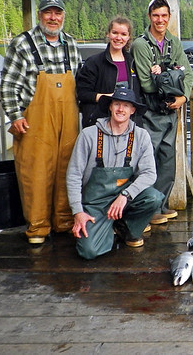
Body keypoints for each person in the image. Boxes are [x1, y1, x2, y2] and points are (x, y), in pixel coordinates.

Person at [1, 0, 82, 244]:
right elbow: (8, 84)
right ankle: (37, 227)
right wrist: (14, 116)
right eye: (48, 13)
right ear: (40, 15)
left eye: (58, 13)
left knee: (68, 168)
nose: (53, 18)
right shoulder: (22, 43)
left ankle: (63, 221)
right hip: (34, 121)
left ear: (63, 16)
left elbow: (81, 82)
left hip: (68, 120)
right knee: (35, 173)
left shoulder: (71, 44)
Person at [67, 88, 164, 260]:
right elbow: (73, 175)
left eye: (126, 105)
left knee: (154, 198)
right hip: (96, 204)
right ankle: (106, 228)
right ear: (110, 107)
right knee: (88, 252)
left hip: (124, 197)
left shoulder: (141, 136)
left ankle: (124, 228)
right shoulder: (88, 134)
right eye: (117, 104)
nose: (121, 109)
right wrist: (78, 212)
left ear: (132, 110)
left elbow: (149, 173)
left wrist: (125, 195)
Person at [131, 0, 193, 225]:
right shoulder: (140, 45)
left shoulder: (174, 43)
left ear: (169, 17)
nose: (160, 20)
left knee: (168, 161)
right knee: (149, 161)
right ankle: (146, 209)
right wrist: (172, 73)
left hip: (171, 111)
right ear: (149, 17)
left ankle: (160, 205)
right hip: (150, 112)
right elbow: (147, 83)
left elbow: (187, 74)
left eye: (164, 15)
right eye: (156, 15)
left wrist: (183, 97)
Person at [76, 17, 142, 128]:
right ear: (108, 34)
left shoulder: (133, 62)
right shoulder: (93, 62)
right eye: (115, 33)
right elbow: (82, 94)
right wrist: (108, 97)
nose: (118, 38)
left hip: (128, 124)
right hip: (100, 123)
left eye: (123, 34)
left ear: (129, 37)